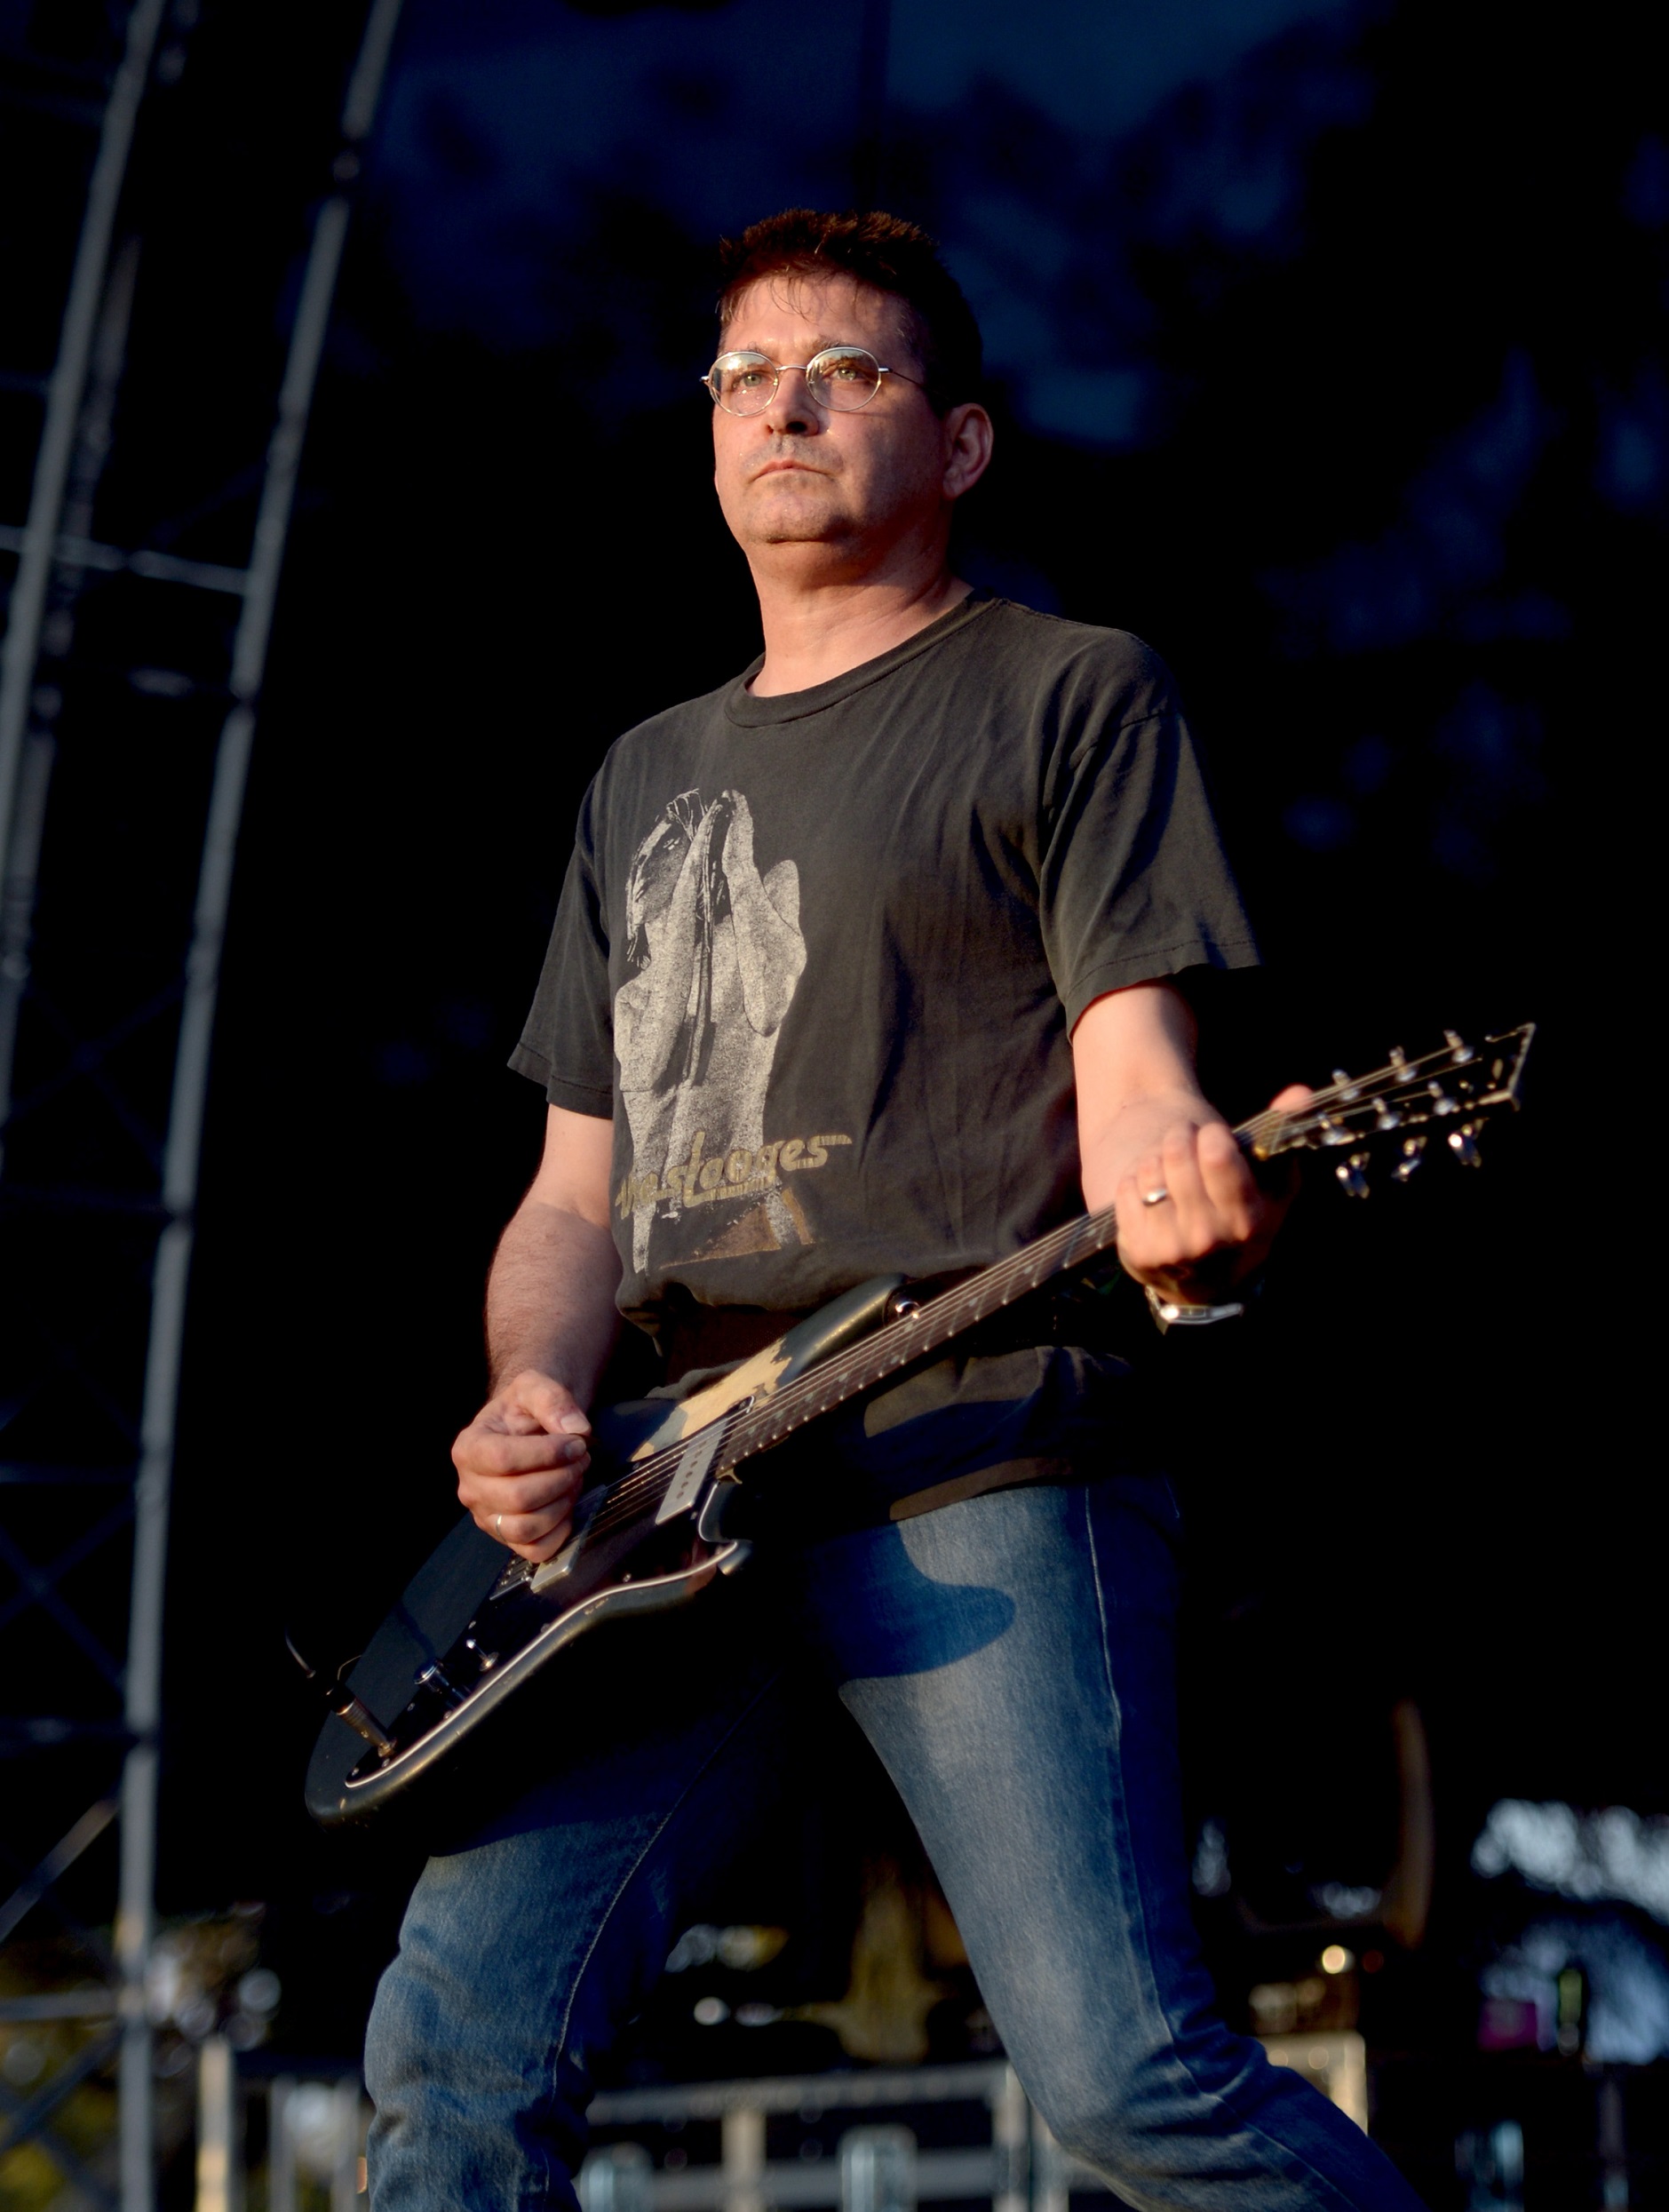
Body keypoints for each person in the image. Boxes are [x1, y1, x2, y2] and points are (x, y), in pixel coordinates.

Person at [363, 210, 1426, 2212]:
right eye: (741, 374)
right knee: (454, 2048)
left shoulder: (1066, 692)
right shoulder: (639, 775)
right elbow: (574, 1191)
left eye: (845, 372)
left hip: (976, 1454)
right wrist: (527, 1388)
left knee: (1128, 2082)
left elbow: (1134, 1078)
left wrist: (1191, 1219)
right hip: (658, 1513)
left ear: (957, 445)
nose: (781, 404)